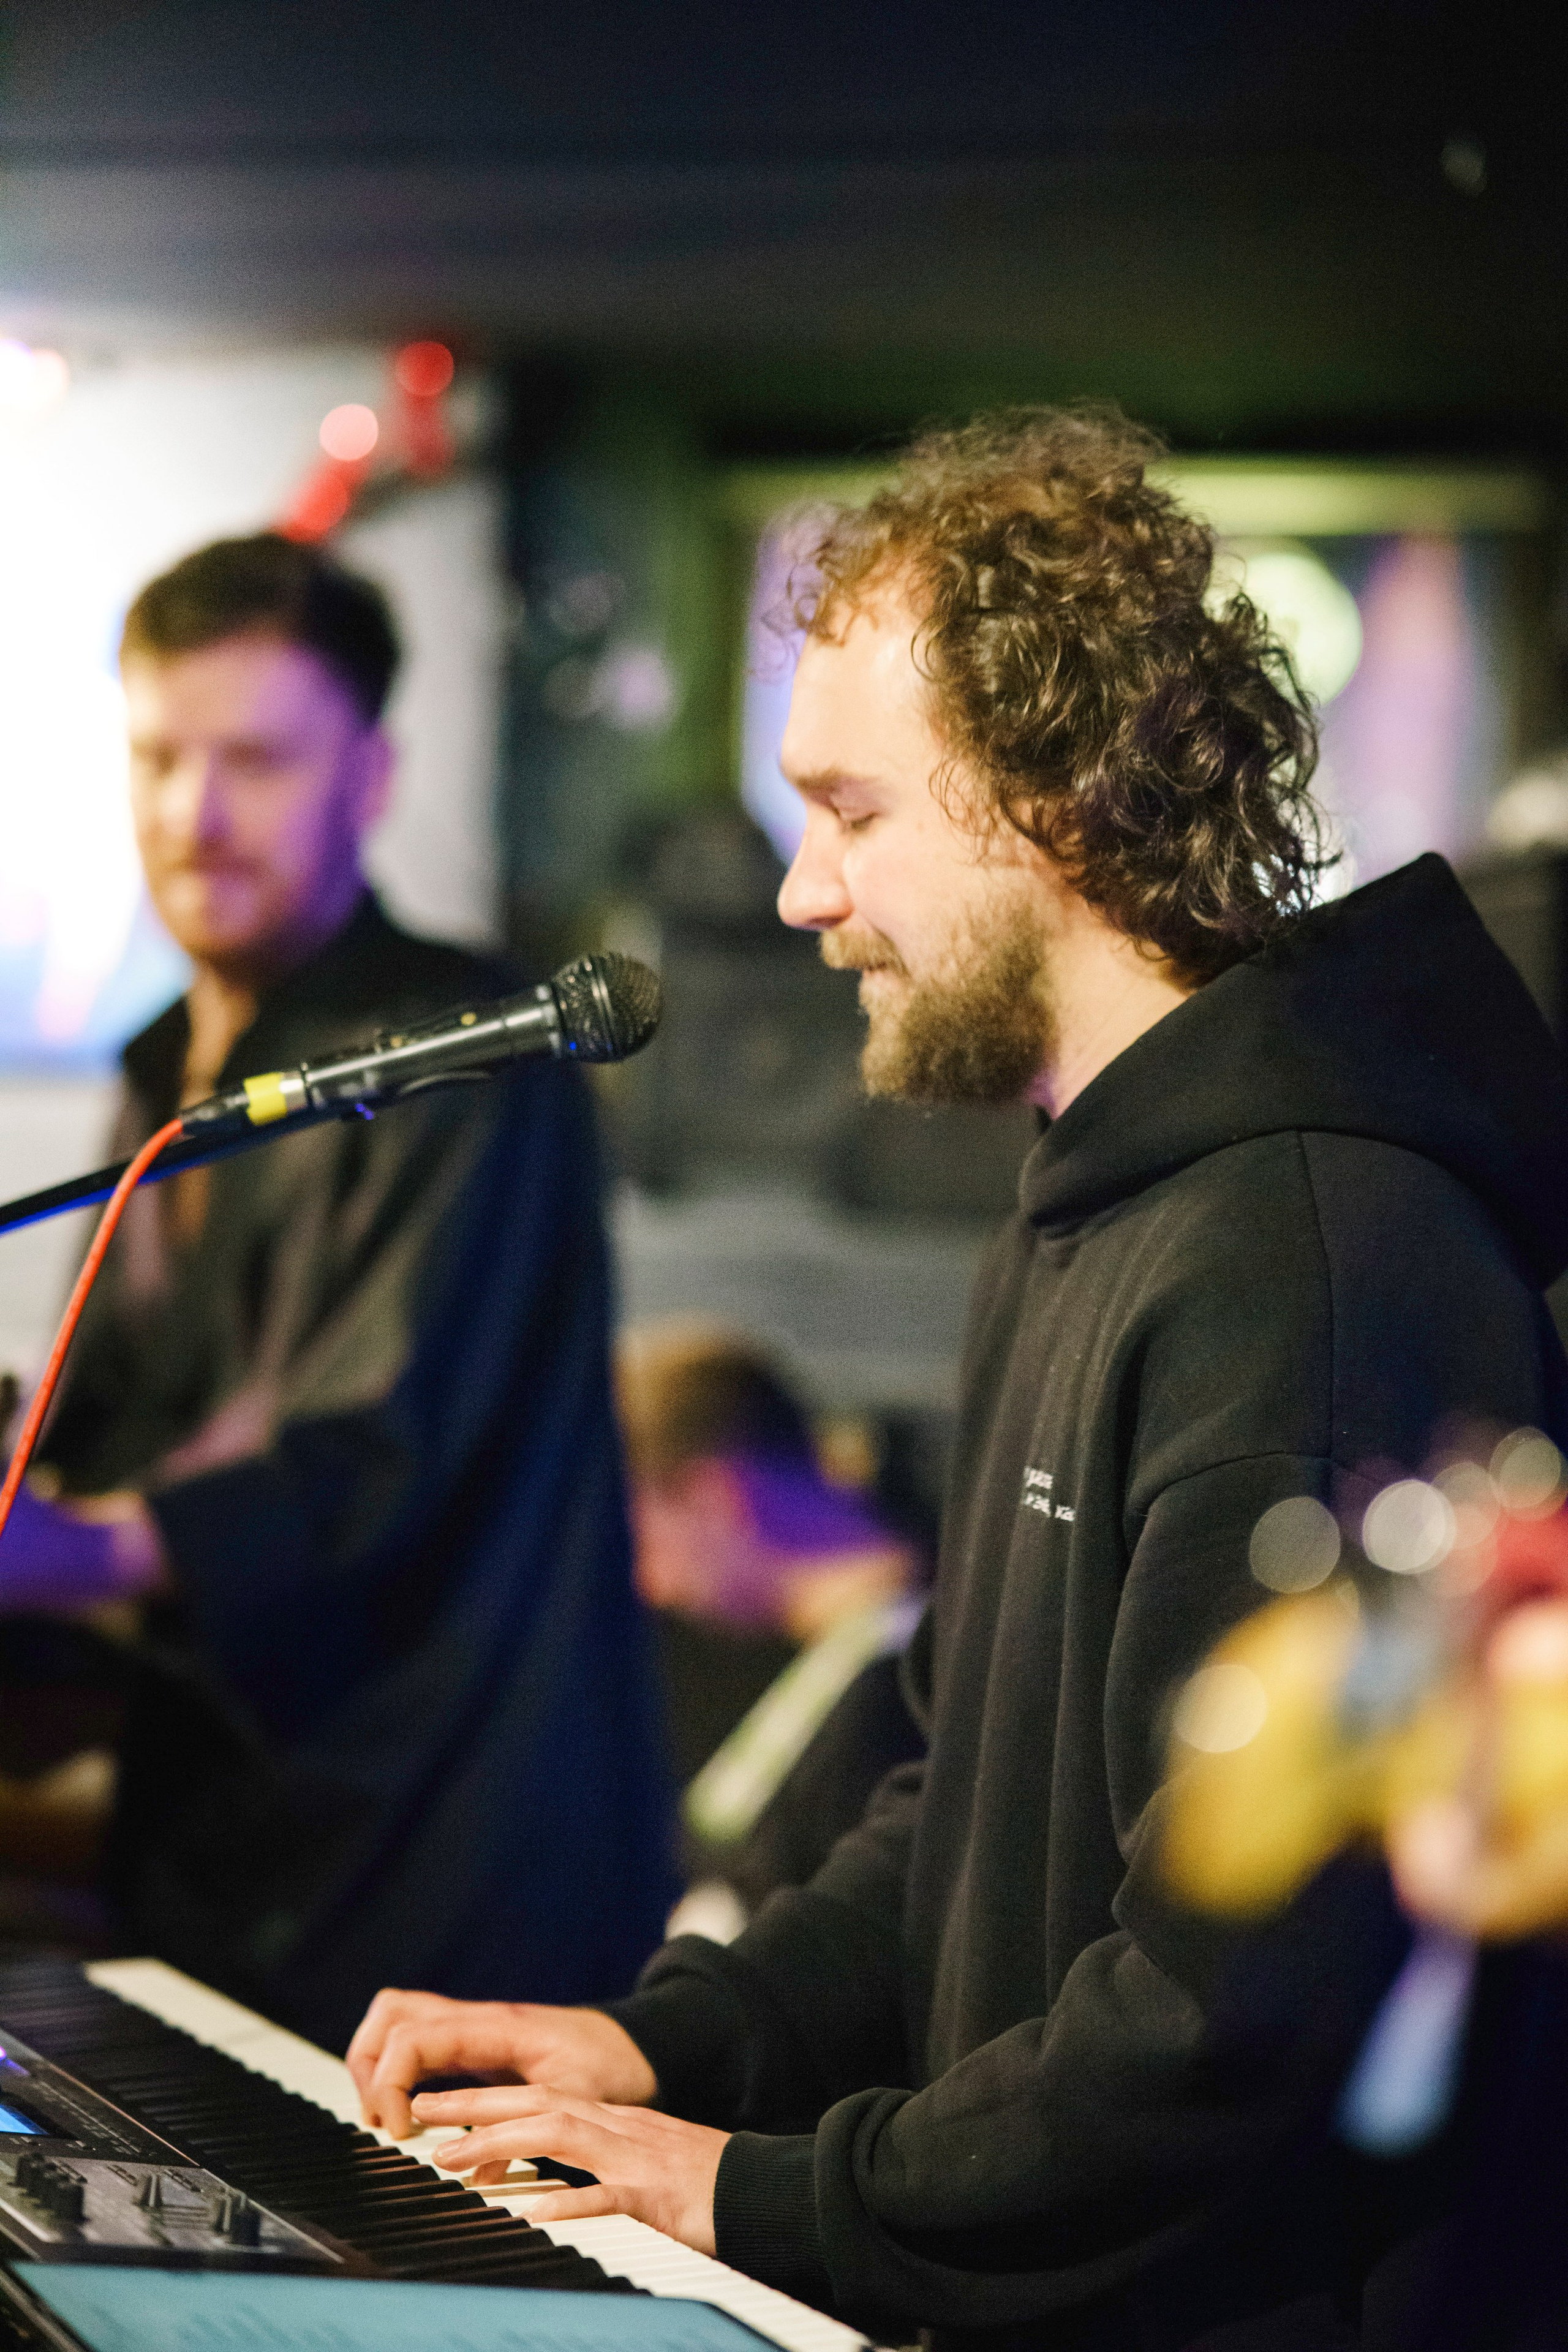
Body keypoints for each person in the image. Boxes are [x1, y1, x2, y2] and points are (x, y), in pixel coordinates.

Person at [346, 409, 1568, 2348]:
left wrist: (761, 2192)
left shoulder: (1314, 1260)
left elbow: (1224, 2012)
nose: (796, 896)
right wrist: (656, 2053)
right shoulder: (1082, 1204)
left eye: (851, 811)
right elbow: (959, 1810)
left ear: (1058, 798)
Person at [0, 532, 676, 2049]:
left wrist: (54, 1553)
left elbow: (363, 1461)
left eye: (256, 759)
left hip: (448, 1893)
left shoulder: (472, 1051)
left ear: (370, 776)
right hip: (218, 1859)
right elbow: (103, 1440)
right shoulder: (160, 1064)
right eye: (160, 755)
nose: (195, 814)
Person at [616, 1321, 925, 1923]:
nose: (650, 1585)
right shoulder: (842, 1657)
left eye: (643, 1542)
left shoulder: (905, 1680)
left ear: (711, 1496)